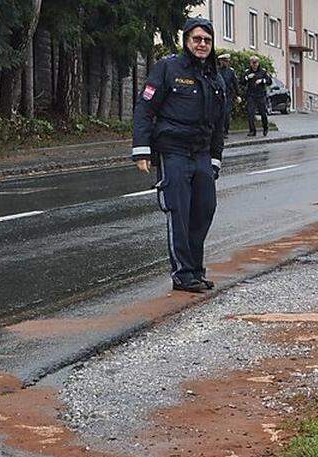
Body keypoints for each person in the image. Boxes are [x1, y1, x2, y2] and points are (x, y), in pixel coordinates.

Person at [132, 17, 228, 293]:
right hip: (173, 152)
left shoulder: (215, 77)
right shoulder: (167, 68)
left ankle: (196, 270)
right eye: (197, 39)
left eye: (207, 40)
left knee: (204, 210)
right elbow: (145, 109)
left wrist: (215, 160)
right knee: (179, 212)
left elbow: (219, 125)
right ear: (186, 40)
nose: (202, 44)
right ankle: (183, 274)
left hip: (201, 155)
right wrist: (142, 151)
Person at [243, 55, 272, 137]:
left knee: (263, 113)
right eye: (252, 63)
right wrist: (247, 78)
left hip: (260, 95)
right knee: (250, 113)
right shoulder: (247, 72)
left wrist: (262, 80)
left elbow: (269, 81)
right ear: (250, 63)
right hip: (251, 95)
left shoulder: (263, 72)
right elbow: (242, 82)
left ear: (258, 63)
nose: (254, 64)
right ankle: (252, 131)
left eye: (255, 63)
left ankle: (265, 127)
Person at [217, 53, 240, 138]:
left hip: (228, 95)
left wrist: (238, 95)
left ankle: (225, 131)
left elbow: (235, 84)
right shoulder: (217, 71)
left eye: (226, 61)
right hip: (219, 95)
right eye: (223, 61)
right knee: (219, 114)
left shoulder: (231, 71)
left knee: (226, 114)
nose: (225, 63)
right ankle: (220, 131)